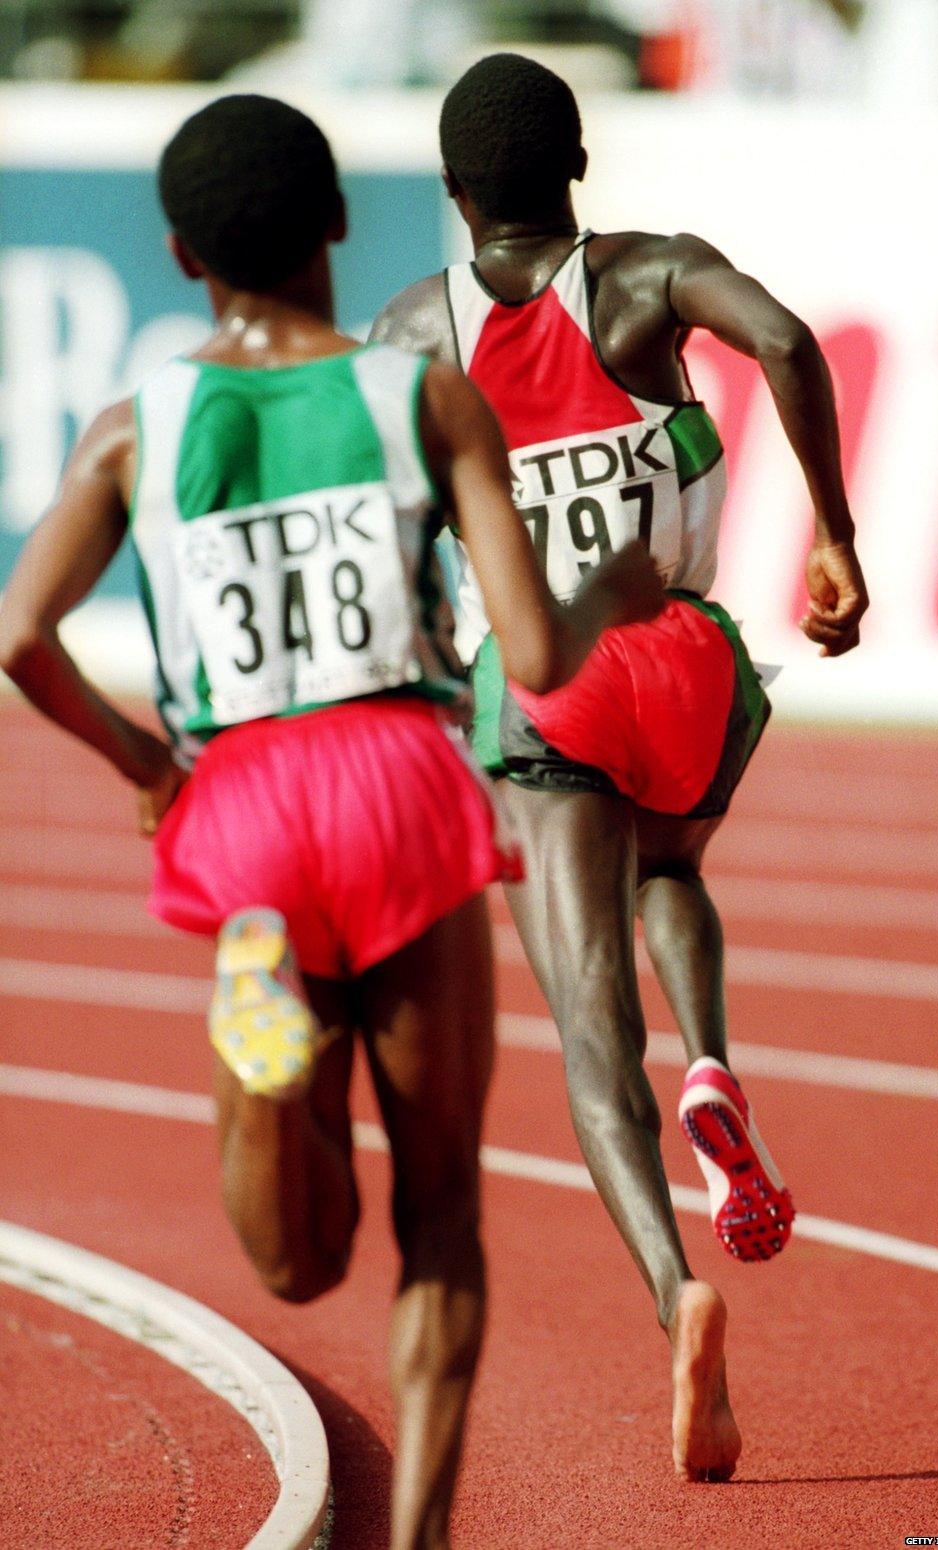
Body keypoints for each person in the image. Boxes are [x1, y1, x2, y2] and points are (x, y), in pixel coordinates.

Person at [0, 94, 666, 1548]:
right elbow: (540, 660)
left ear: (181, 254)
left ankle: (272, 1042)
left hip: (239, 805)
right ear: (343, 226)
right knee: (440, 1218)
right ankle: (419, 1538)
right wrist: (621, 589)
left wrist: (142, 763)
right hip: (401, 785)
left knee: (294, 1261)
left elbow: (18, 634)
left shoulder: (134, 427)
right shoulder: (420, 397)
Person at [371, 51, 869, 1483]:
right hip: (689, 658)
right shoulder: (648, 276)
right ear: (579, 166)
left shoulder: (416, 326)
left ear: (457, 193)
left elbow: (387, 498)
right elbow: (784, 341)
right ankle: (716, 1054)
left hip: (546, 681)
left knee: (591, 1036)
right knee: (673, 866)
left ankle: (676, 1293)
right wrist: (834, 533)